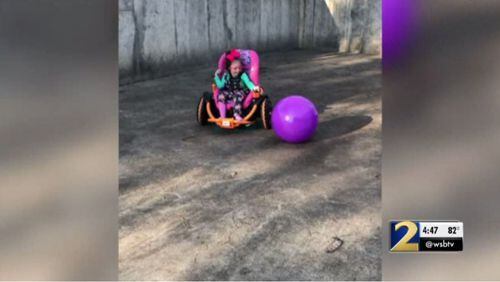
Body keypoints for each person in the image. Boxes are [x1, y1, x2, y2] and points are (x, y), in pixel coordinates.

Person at [214, 51, 258, 121]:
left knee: (238, 95)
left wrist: (254, 88)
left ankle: (237, 114)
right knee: (221, 95)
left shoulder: (243, 75)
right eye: (235, 68)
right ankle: (222, 116)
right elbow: (220, 86)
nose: (238, 70)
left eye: (240, 68)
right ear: (229, 68)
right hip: (231, 91)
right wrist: (216, 77)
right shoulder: (226, 75)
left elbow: (248, 83)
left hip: (241, 91)